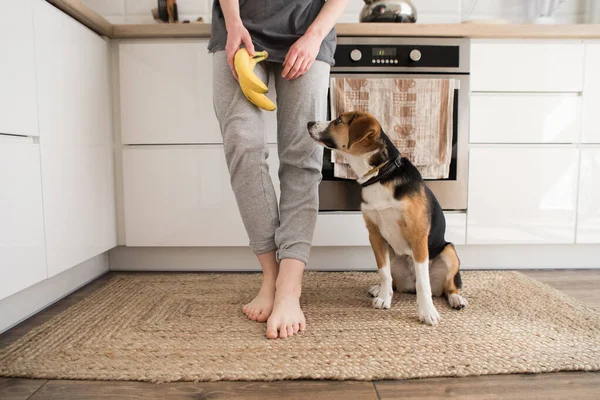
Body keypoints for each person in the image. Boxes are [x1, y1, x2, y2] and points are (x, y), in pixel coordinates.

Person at [208, 0, 348, 339]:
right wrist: (233, 23)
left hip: (308, 27)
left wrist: (315, 35)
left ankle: (289, 284)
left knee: (302, 154)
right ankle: (271, 275)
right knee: (242, 143)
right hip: (239, 27)